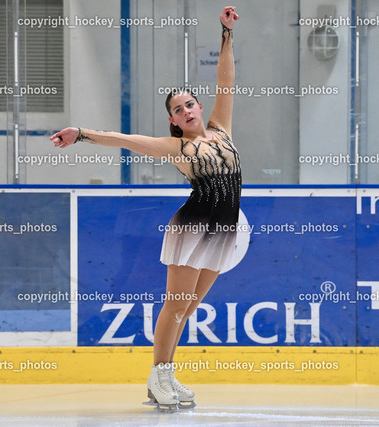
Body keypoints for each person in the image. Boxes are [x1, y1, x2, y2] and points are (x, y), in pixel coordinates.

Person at [50, 6, 241, 412]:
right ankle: (158, 375)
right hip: (193, 228)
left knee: (189, 308)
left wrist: (225, 33)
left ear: (199, 107)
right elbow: (123, 139)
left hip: (223, 232)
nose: (187, 111)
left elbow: (226, 82)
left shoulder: (222, 129)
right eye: (178, 110)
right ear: (174, 121)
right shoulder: (175, 147)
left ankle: (166, 375)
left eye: (190, 104)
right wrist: (80, 133)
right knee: (177, 303)